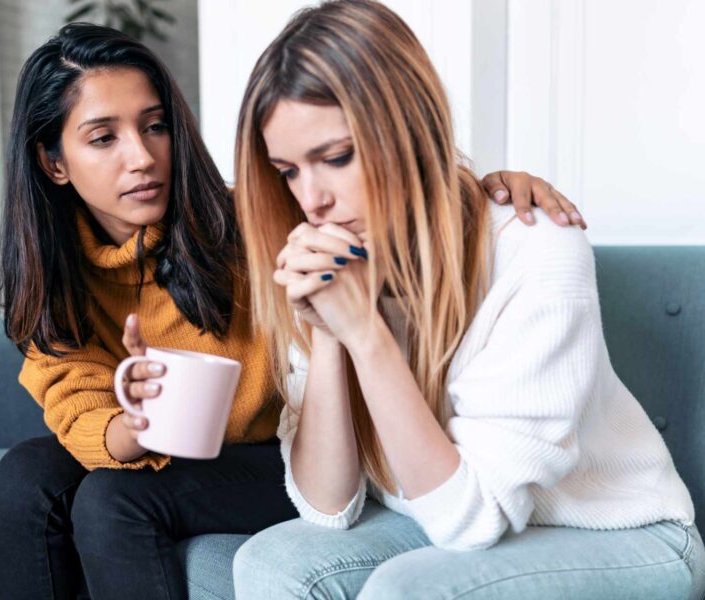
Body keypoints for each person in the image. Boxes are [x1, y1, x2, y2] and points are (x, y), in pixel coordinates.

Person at [0, 21, 582, 600]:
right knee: (24, 482)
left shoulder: (259, 220)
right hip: (172, 446)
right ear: (53, 162)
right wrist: (140, 423)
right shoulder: (54, 278)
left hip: (282, 449)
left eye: (155, 126)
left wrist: (485, 188)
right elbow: (76, 403)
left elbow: (385, 197)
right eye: (103, 137)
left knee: (113, 501)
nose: (141, 157)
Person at [231, 1, 705, 599]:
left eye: (338, 157)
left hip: (621, 533)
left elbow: (472, 518)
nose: (312, 199)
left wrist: (368, 335)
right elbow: (328, 509)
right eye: (288, 172)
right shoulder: (334, 261)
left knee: (409, 590)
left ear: (410, 129)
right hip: (444, 521)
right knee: (268, 564)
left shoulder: (536, 250)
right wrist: (331, 331)